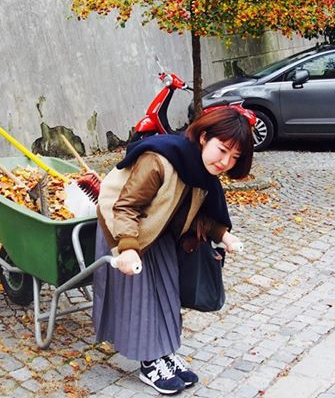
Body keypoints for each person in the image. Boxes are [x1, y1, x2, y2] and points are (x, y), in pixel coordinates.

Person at [93, 107, 254, 395]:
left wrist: (224, 235)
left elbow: (196, 213)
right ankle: (150, 362)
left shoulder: (202, 173)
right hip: (125, 232)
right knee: (142, 298)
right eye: (222, 150)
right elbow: (125, 207)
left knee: (168, 295)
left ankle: (166, 354)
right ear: (204, 138)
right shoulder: (159, 160)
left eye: (234, 157)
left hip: (159, 231)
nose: (225, 162)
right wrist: (127, 248)